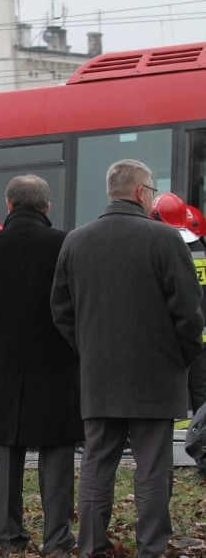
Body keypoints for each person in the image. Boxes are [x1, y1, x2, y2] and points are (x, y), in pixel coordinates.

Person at [51, 159, 204, 558]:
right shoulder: (165, 239)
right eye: (152, 190)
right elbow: (189, 312)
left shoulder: (75, 241)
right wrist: (180, 358)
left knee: (98, 465)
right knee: (153, 467)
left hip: (99, 375)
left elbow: (61, 310)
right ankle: (151, 548)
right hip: (156, 375)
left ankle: (91, 546)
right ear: (140, 192)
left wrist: (88, 351)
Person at [0, 174, 82, 556]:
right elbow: (77, 307)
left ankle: (10, 538)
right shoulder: (65, 244)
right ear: (47, 206)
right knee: (58, 452)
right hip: (59, 364)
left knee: (8, 455)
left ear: (9, 205)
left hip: (7, 366)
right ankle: (58, 539)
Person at [151, 193, 206, 417]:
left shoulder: (166, 248)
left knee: (176, 389)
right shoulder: (201, 248)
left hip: (176, 334)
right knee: (200, 388)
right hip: (200, 334)